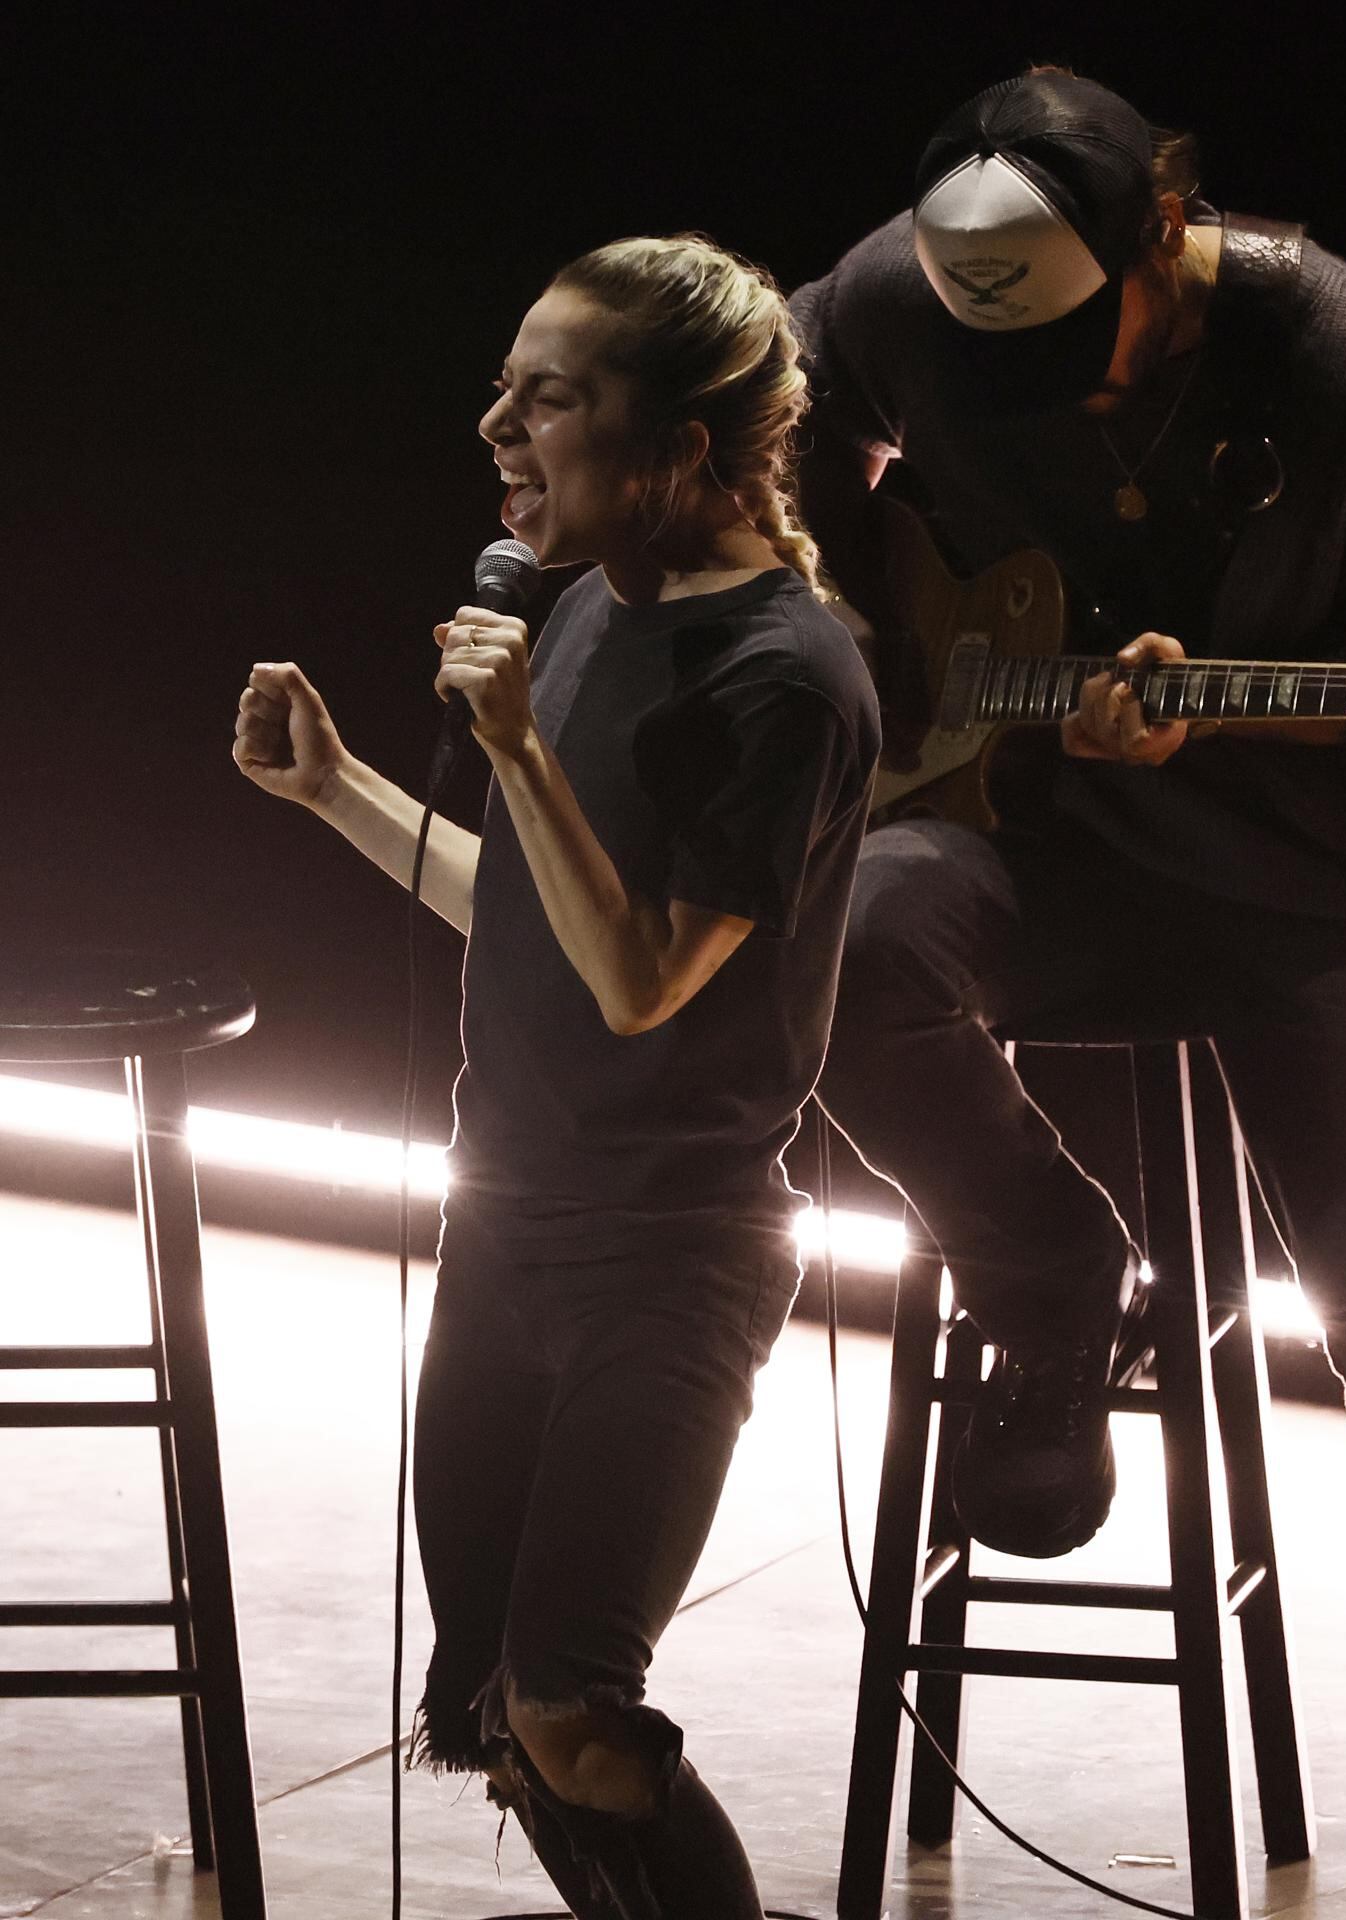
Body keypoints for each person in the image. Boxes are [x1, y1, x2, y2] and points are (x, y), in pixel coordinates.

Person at [790, 68, 1346, 1920]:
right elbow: (787, 439)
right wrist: (852, 622)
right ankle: (1054, 1265)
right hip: (1024, 837)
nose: (1040, 383)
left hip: (1304, 890)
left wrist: (1235, 696)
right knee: (843, 946)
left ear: (1164, 233)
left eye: (1073, 333)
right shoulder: (894, 294)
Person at [233, 234, 880, 1920]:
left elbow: (643, 976)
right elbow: (524, 907)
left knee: (572, 1708)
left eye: (551, 396)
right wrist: (344, 795)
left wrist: (518, 742)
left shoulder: (785, 677)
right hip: (506, 1232)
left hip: (666, 1261)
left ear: (676, 445)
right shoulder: (588, 609)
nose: (495, 426)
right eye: (507, 385)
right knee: (499, 1717)